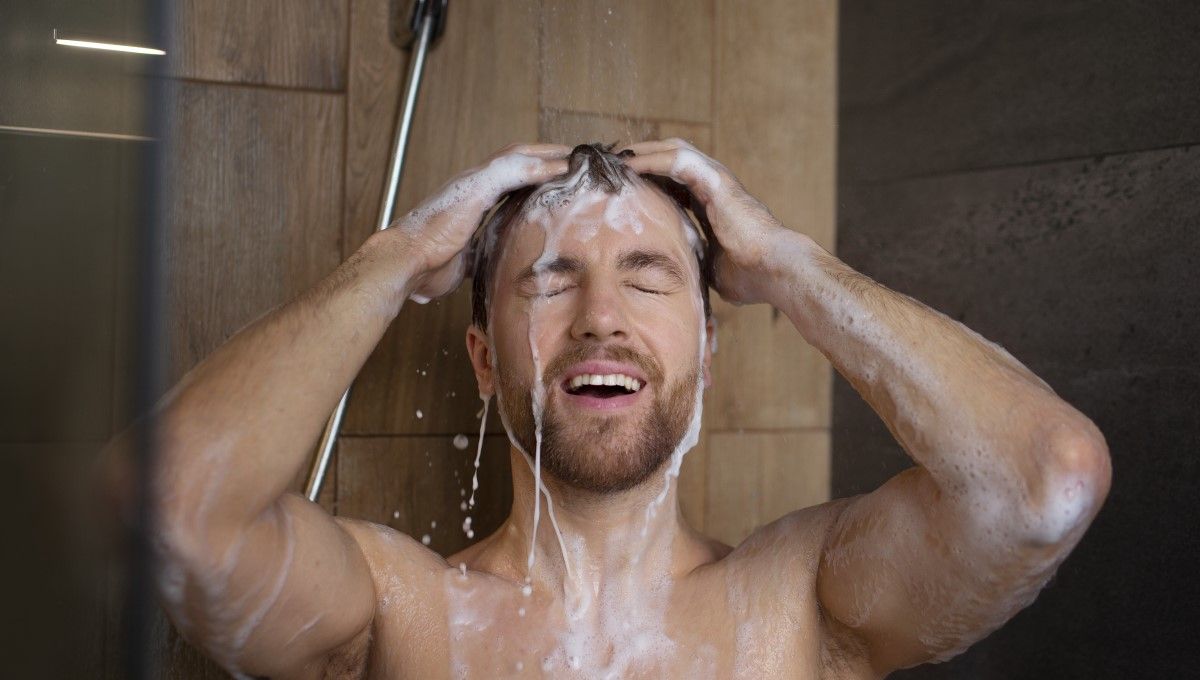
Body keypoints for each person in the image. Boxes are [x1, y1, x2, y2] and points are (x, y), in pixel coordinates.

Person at [105, 140, 1111, 678]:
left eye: (647, 278)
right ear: (483, 360)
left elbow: (1044, 481)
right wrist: (395, 258)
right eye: (548, 281)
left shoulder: (799, 603)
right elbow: (172, 501)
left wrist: (791, 265)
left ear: (709, 349)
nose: (600, 319)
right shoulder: (394, 612)